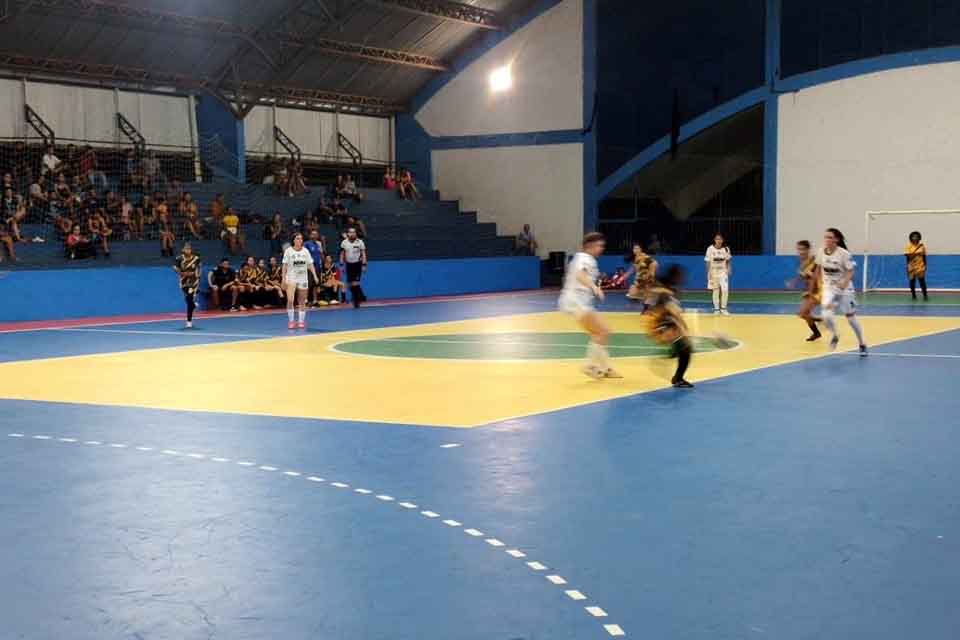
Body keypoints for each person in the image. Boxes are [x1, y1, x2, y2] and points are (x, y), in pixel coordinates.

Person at [558, 232, 620, 379]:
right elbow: (580, 275)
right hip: (577, 301)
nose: (602, 248)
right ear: (590, 246)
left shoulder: (583, 258)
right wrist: (595, 288)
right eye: (600, 245)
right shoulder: (586, 259)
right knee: (603, 332)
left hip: (576, 301)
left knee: (598, 334)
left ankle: (605, 368)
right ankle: (590, 366)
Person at [814, 228, 867, 356]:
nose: (827, 239)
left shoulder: (843, 253)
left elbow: (850, 271)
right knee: (826, 314)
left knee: (850, 318)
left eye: (830, 237)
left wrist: (844, 283)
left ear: (836, 240)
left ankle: (862, 343)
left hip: (845, 288)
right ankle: (835, 334)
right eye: (825, 237)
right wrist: (815, 286)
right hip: (829, 288)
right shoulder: (821, 252)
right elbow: (818, 269)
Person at [647, 265, 694, 388]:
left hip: (661, 322)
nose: (683, 279)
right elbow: (673, 311)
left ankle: (673, 353)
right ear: (676, 277)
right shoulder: (667, 292)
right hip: (659, 325)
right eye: (681, 276)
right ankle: (677, 378)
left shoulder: (664, 289)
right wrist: (684, 328)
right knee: (685, 347)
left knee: (683, 346)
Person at [282, 232, 318, 329]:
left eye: (301, 238)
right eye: (298, 238)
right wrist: (283, 279)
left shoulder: (305, 251)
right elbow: (284, 266)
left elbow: (310, 264)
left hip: (303, 278)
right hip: (291, 277)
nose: (300, 240)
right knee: (290, 300)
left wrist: (315, 276)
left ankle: (301, 321)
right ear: (293, 240)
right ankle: (291, 321)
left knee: (302, 301)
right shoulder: (288, 251)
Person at [794, 240, 822, 342]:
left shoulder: (814, 260)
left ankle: (821, 321)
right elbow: (802, 275)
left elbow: (813, 278)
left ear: (808, 249)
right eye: (799, 249)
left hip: (818, 290)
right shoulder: (802, 263)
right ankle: (817, 332)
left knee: (803, 313)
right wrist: (793, 282)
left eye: (803, 249)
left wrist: (810, 293)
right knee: (804, 314)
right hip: (809, 290)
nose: (800, 252)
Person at [173, 243, 201, 328]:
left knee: (189, 298)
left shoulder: (196, 258)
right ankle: (193, 305)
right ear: (183, 250)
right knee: (188, 300)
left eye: (189, 249)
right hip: (183, 281)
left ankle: (189, 321)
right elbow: (174, 268)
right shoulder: (179, 258)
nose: (188, 250)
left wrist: (197, 275)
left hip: (193, 281)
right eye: (186, 249)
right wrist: (182, 273)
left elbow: (199, 268)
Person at [340, 227, 368, 308]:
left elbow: (363, 254)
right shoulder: (344, 242)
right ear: (348, 234)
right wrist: (342, 265)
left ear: (356, 233)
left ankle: (356, 302)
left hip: (357, 264)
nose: (352, 234)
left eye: (354, 232)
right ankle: (361, 296)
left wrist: (364, 265)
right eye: (351, 232)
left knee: (355, 283)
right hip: (348, 265)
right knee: (350, 284)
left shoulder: (360, 242)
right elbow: (342, 254)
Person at [705, 233, 731, 314]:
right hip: (713, 273)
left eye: (720, 239)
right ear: (714, 240)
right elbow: (707, 261)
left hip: (723, 273)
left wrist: (729, 268)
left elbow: (728, 260)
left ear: (722, 240)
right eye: (717, 239)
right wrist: (708, 272)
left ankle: (723, 309)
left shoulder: (726, 249)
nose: (718, 240)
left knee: (725, 290)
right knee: (715, 291)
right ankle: (716, 309)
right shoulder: (710, 249)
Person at [625, 243, 657, 311]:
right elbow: (634, 268)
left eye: (637, 248)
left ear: (640, 249)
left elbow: (655, 263)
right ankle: (648, 306)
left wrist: (650, 274)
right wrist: (626, 275)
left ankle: (647, 308)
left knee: (646, 294)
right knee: (632, 294)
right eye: (634, 248)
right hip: (640, 278)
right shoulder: (636, 258)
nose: (635, 250)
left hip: (647, 278)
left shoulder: (645, 257)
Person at [905, 231, 928, 301]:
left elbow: (924, 256)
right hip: (911, 266)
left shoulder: (922, 246)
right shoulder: (908, 247)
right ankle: (913, 295)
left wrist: (925, 265)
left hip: (920, 266)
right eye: (913, 237)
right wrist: (907, 266)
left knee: (922, 281)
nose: (915, 238)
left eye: (916, 236)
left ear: (919, 238)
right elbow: (907, 256)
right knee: (912, 281)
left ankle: (925, 295)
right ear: (911, 238)